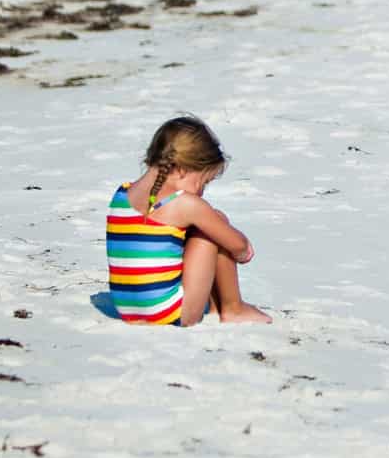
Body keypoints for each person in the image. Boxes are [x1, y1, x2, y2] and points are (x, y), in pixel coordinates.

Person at [105, 115, 270, 326]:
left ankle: (214, 308)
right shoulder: (185, 204)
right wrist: (243, 249)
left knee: (189, 229)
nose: (201, 192)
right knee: (215, 221)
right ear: (183, 169)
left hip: (126, 309)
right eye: (204, 182)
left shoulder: (122, 194)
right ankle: (233, 308)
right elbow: (238, 246)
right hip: (171, 313)